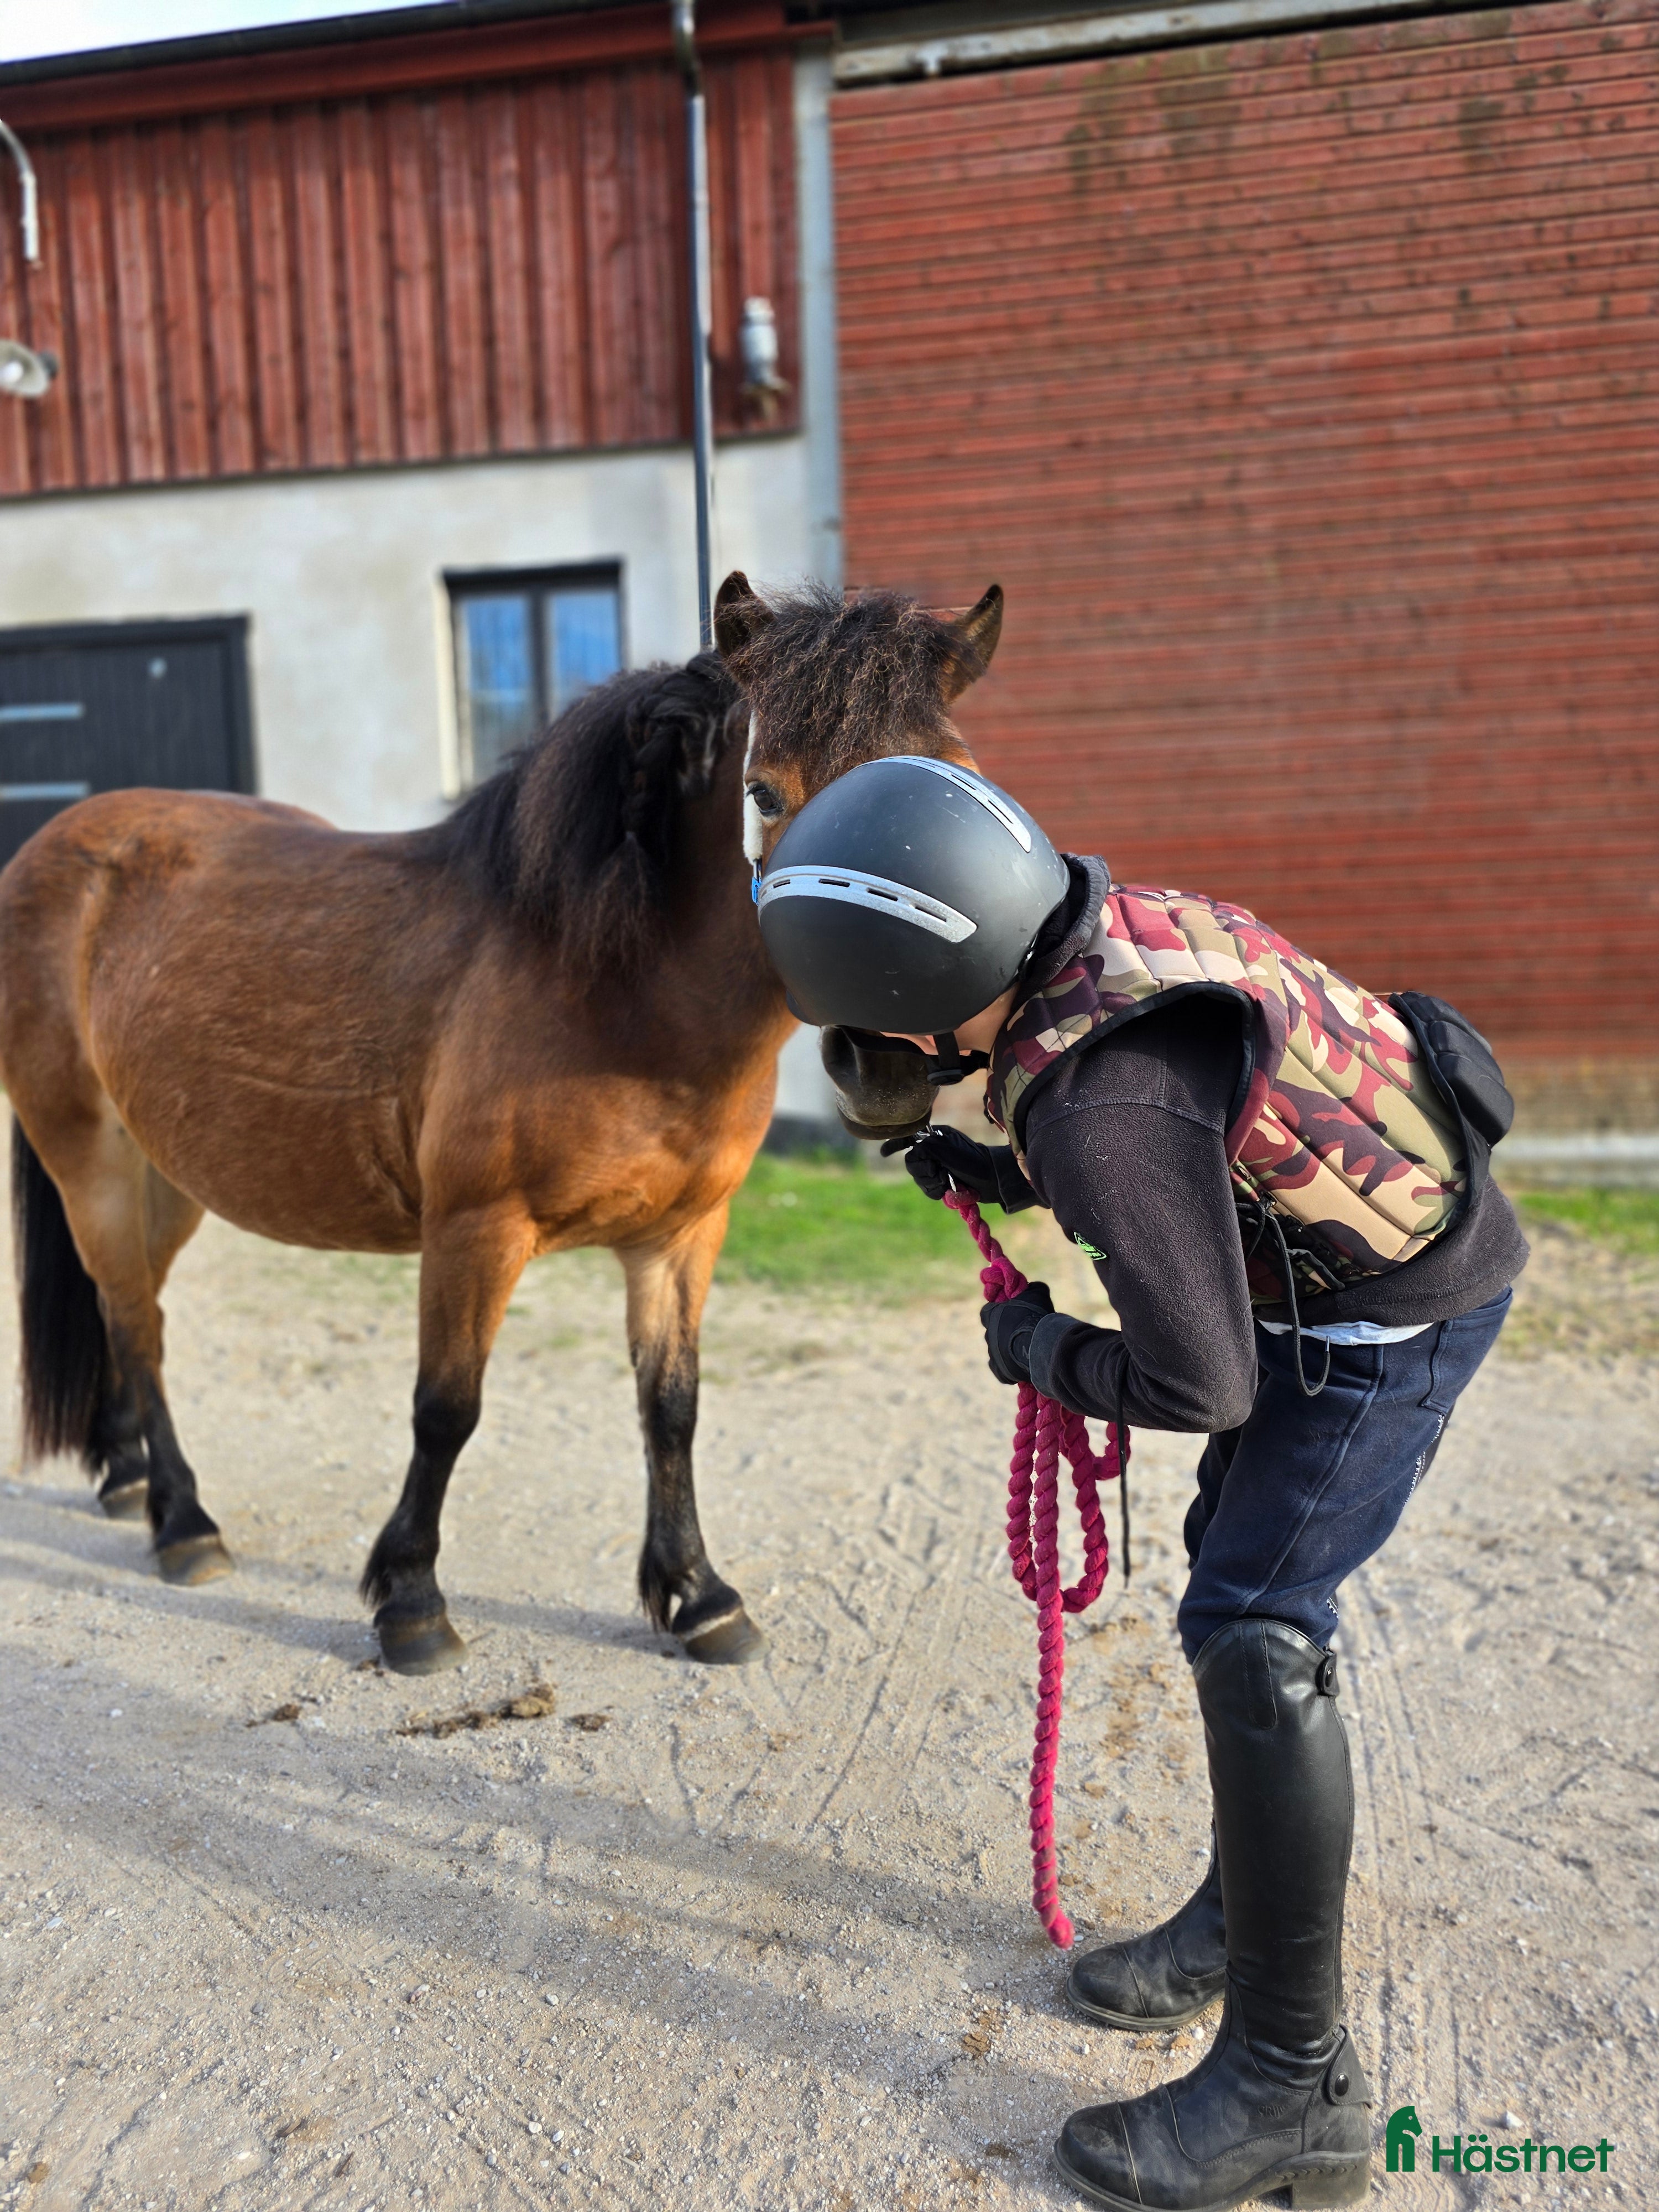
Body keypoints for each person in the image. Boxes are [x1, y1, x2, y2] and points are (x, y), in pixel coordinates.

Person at [755, 754, 1525, 2212]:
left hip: (1377, 1329)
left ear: (916, 1005)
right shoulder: (1106, 932)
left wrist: (1045, 1349)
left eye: (866, 1027)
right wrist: (1016, 1177)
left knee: (1256, 1625)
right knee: (1232, 1574)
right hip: (1337, 1275)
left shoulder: (1091, 1113)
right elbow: (1189, 1104)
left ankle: (1294, 2091)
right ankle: (1244, 1918)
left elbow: (1196, 1383)